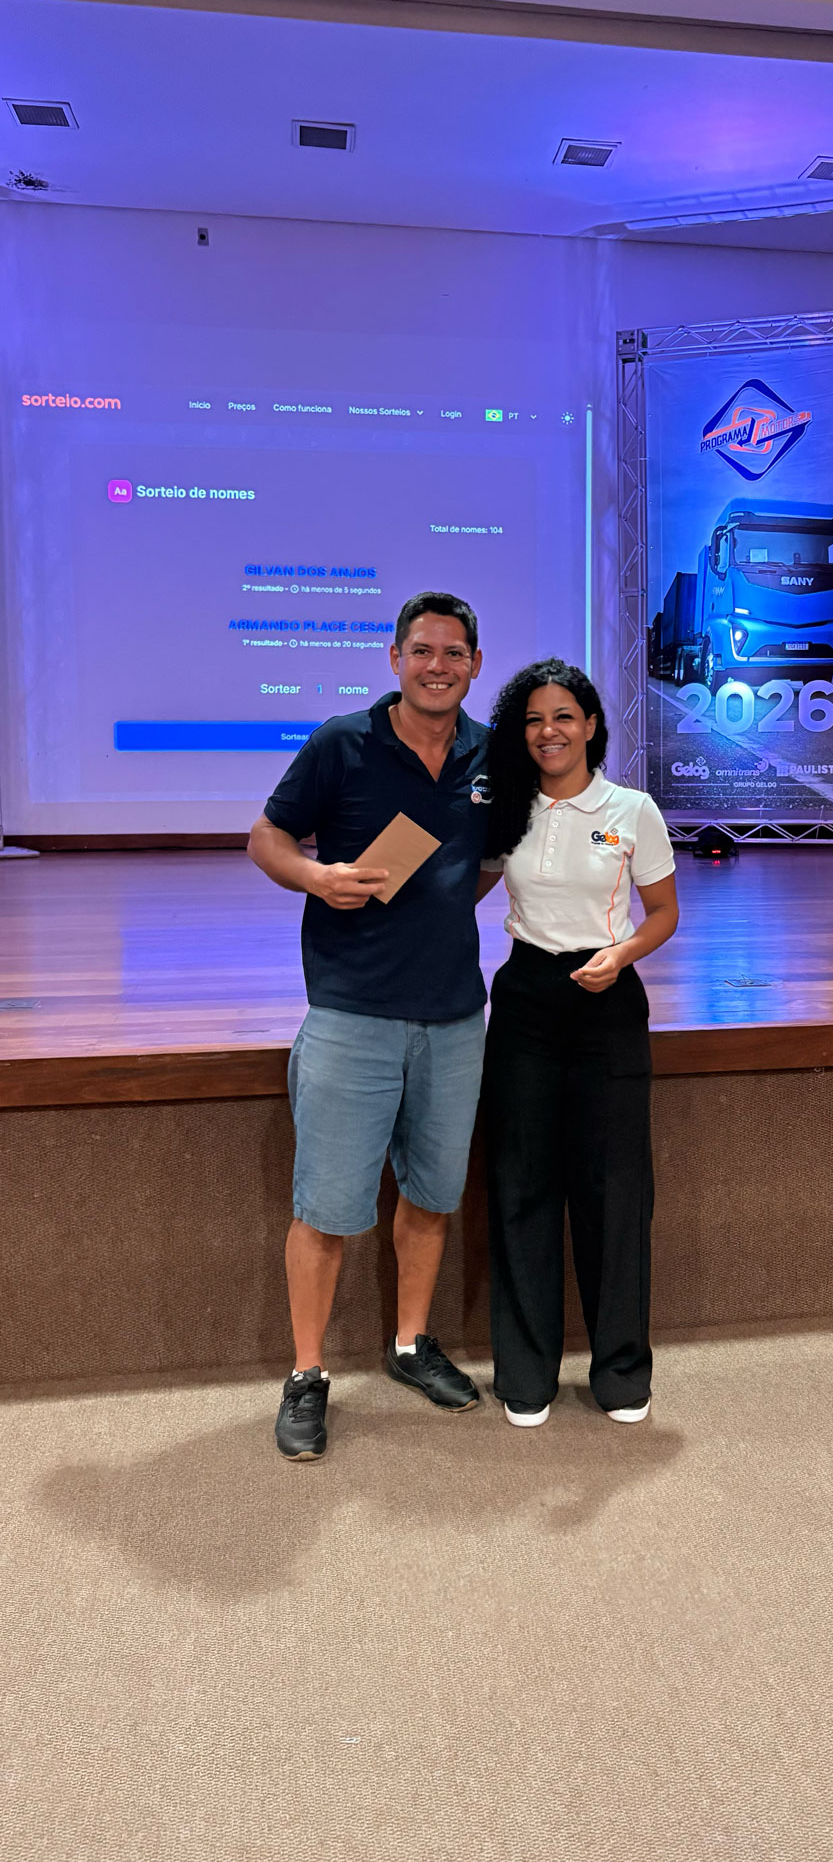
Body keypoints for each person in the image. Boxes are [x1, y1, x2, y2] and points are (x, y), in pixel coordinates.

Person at [248, 592, 493, 1459]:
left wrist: (440, 909)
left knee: (431, 1197)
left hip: (455, 1017)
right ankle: (307, 1372)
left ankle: (410, 1346)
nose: (437, 666)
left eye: (454, 653)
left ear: (474, 664)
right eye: (422, 650)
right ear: (395, 659)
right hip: (351, 1014)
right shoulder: (340, 743)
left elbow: (486, 862)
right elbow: (267, 838)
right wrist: (317, 878)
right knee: (324, 1210)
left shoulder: (488, 755)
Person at [479, 659, 679, 1428]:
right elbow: (467, 886)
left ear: (591, 725)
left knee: (615, 1192)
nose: (548, 731)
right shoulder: (507, 808)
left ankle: (622, 1373)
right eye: (533, 720)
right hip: (526, 1000)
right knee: (522, 1185)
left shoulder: (631, 809)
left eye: (563, 716)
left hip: (606, 1004)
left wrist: (621, 955)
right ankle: (525, 1374)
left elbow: (662, 913)